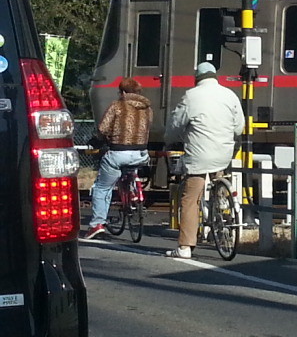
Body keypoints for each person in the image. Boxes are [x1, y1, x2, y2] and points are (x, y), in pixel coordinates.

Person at [164, 62, 245, 259]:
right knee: (218, 176)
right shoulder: (229, 95)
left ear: (197, 78)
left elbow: (176, 125)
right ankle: (222, 203)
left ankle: (185, 247)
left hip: (199, 155)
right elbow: (239, 127)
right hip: (223, 154)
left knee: (190, 199)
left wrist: (170, 140)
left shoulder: (191, 96)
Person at [85, 78, 153, 239]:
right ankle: (133, 191)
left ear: (122, 92)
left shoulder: (117, 106)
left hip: (118, 153)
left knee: (102, 187)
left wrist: (96, 141)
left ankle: (97, 224)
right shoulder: (147, 109)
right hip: (141, 154)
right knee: (131, 164)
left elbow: (103, 129)